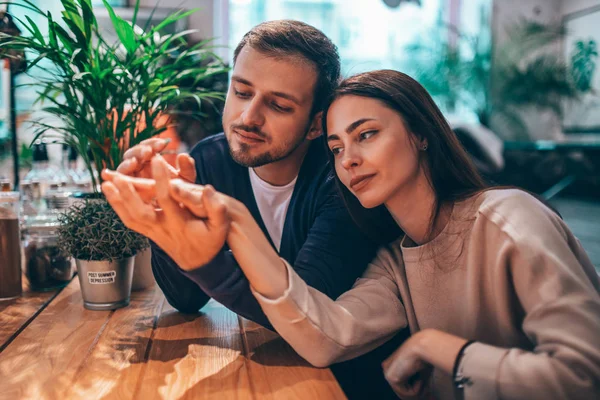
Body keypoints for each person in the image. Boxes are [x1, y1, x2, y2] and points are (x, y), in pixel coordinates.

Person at [104, 69, 600, 399]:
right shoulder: (395, 258)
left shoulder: (508, 217)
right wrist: (232, 224)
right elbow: (325, 336)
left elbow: (583, 377)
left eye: (367, 135)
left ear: (422, 132)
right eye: (338, 147)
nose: (350, 160)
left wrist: (433, 347)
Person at [103, 21, 403, 399]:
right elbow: (186, 300)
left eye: (278, 105)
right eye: (241, 91)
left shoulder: (342, 181)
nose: (248, 118)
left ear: (315, 125)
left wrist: (202, 256)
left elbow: (303, 314)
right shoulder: (211, 159)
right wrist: (167, 223)